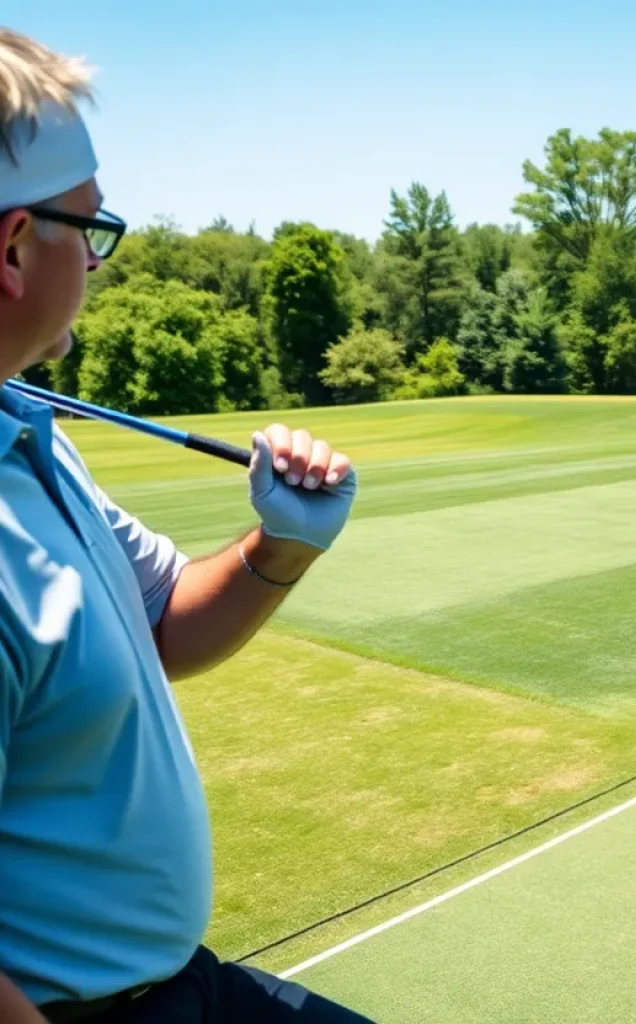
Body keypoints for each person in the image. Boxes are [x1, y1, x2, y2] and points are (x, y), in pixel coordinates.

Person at [0, 28, 377, 1023]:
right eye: (87, 227)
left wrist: (279, 546)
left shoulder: (28, 436)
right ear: (10, 245)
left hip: (181, 986)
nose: (94, 256)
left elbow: (164, 617)